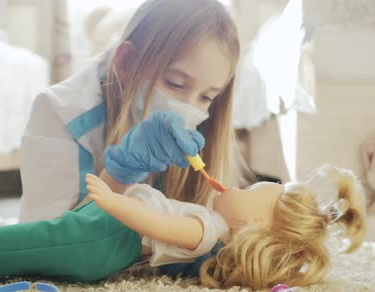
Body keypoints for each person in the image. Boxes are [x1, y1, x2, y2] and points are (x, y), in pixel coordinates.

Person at [0, 165, 366, 290]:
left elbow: (152, 223)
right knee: (16, 245)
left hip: (108, 236)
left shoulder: (208, 231)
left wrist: (111, 201)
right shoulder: (211, 224)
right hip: (104, 233)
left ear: (257, 221)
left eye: (260, 188)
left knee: (7, 246)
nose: (247, 184)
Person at [19, 0, 241, 222]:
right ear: (126, 63)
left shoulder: (208, 126)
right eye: (175, 84)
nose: (189, 110)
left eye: (207, 97)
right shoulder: (60, 112)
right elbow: (47, 244)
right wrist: (120, 174)